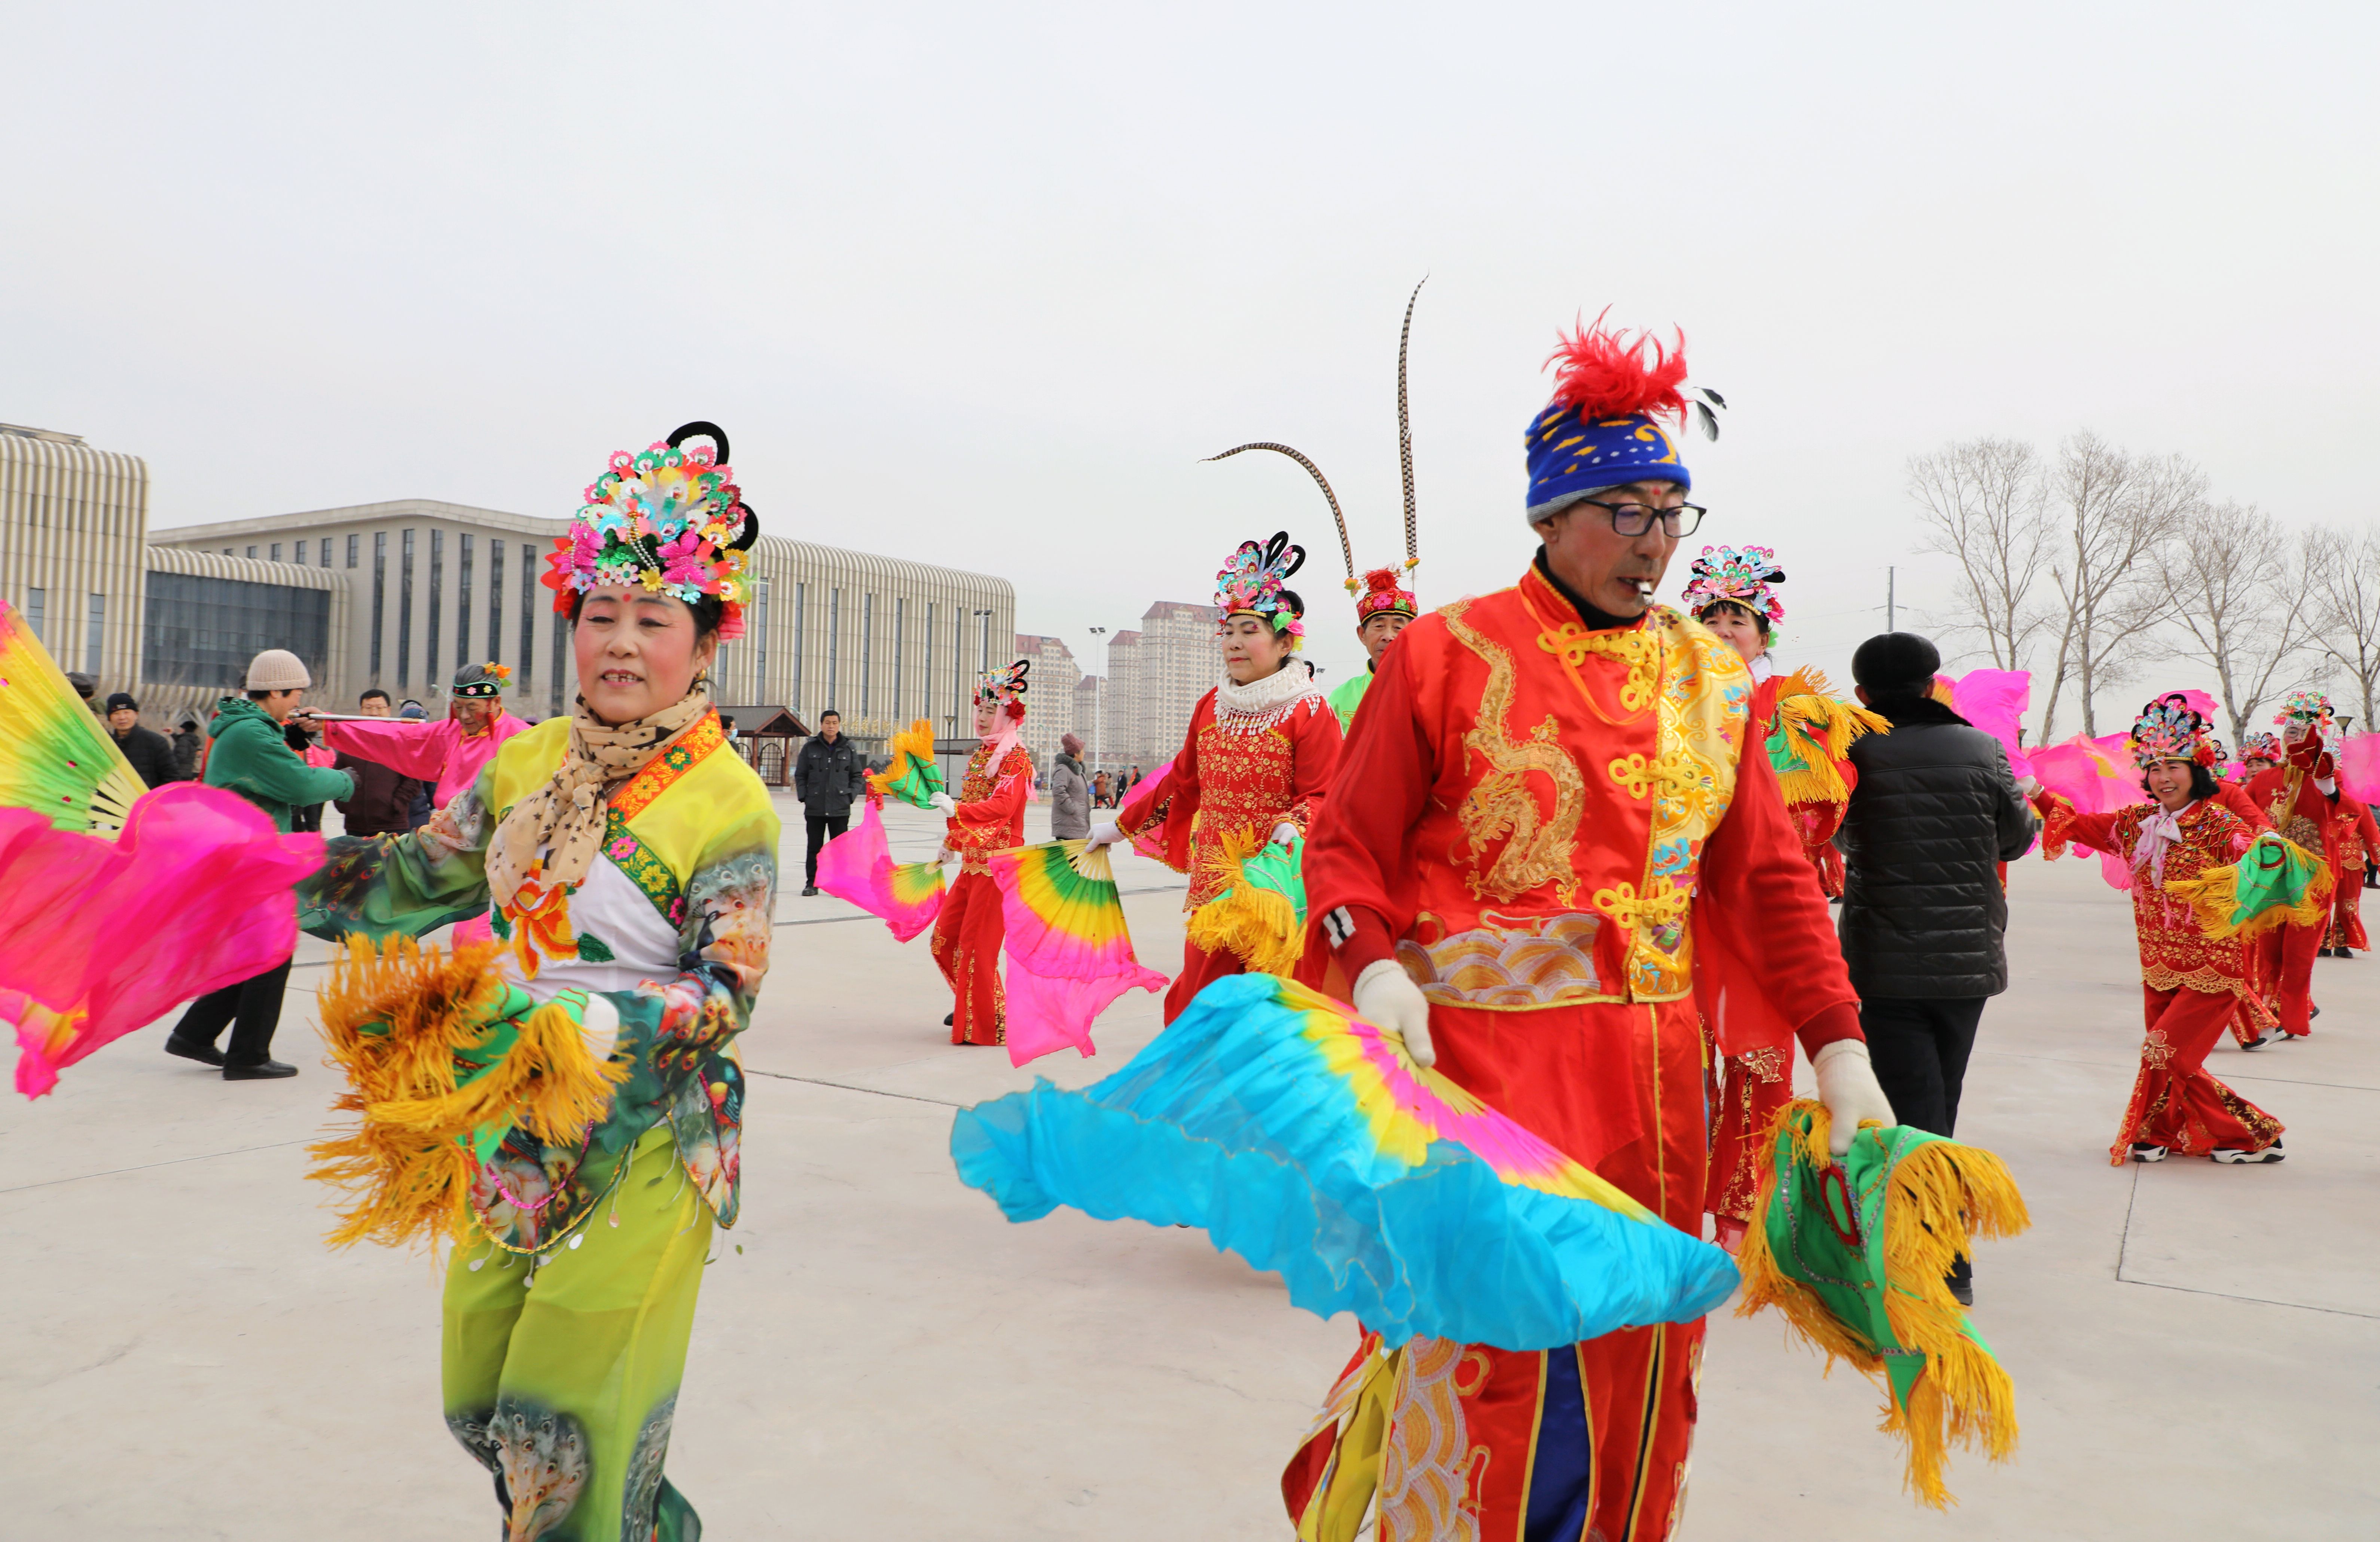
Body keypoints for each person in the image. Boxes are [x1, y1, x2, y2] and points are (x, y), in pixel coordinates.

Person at [1282, 314, 1893, 1539]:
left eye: (1675, 514)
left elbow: (1768, 879)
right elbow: (1351, 839)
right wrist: (1374, 963)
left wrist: (1840, 1045)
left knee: (1642, 1362)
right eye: (1628, 512)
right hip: (1480, 1076)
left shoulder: (1715, 686)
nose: (1657, 545)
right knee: (1498, 1359)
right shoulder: (1448, 656)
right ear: (1550, 516)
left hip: (1656, 1093)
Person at [295, 420, 777, 1541]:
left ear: (704, 644)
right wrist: (256, 866)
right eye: (599, 614)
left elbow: (723, 996)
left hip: (649, 1132)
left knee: (564, 1423)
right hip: (510, 1120)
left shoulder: (730, 802)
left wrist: (570, 1015)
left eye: (652, 619)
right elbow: (420, 877)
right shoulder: (525, 760)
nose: (620, 641)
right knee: (480, 1402)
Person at [1836, 632, 2038, 1300]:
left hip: (1884, 962)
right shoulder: (1982, 749)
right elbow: (2015, 838)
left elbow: (1830, 832)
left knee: (1913, 1110)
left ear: (1863, 694)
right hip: (1966, 963)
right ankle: (1923, 1246)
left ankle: (1939, 1259)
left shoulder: (1850, 754)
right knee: (1934, 1102)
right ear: (1932, 684)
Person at [1089, 531, 1343, 1021]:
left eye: (1250, 630)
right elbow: (1182, 784)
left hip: (1276, 887)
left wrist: (1298, 821)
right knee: (1199, 1002)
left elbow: (1326, 792)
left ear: (1285, 640)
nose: (1235, 643)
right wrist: (1122, 827)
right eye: (1228, 631)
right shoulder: (1212, 705)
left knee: (1268, 1010)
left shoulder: (1309, 710)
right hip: (1214, 886)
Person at [2031, 697, 2287, 1164]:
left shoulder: (2219, 826)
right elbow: (2078, 825)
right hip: (2159, 966)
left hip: (2212, 968)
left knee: (2162, 1051)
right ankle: (2172, 1130)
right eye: (2153, 767)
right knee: (2174, 1063)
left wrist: (2268, 849)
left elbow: (2266, 866)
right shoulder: (2136, 824)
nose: (2162, 777)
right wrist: (2033, 790)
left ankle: (2237, 1131)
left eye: (2173, 766)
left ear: (2198, 769)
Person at [162, 648, 357, 1081]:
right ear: (274, 690)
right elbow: (299, 784)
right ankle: (248, 1055)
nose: (298, 702)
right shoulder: (251, 733)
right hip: (248, 858)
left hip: (243, 855)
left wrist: (294, 741)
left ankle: (195, 1033)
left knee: (257, 949)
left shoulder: (248, 727)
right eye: (295, 694)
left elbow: (273, 766)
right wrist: (346, 780)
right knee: (273, 949)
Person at [928, 663, 1035, 1045]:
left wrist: (956, 810)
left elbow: (1002, 808)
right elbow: (975, 804)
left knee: (977, 949)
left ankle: (987, 1023)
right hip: (973, 865)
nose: (982, 717)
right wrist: (951, 844)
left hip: (999, 868)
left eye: (992, 711)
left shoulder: (1016, 758)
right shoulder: (981, 756)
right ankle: (974, 1002)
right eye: (980, 709)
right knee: (946, 938)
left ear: (1008, 714)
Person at [305, 661, 530, 815]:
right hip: (449, 833)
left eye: (472, 707)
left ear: (496, 703)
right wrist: (329, 724)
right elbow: (394, 737)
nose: (464, 716)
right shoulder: (448, 732)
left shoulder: (522, 739)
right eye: (458, 707)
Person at [2243, 691, 2338, 1038]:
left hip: (2313, 879)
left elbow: (2342, 803)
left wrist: (2321, 773)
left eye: (2303, 731)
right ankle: (2270, 1011)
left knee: (2298, 954)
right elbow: (2238, 817)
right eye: (2289, 730)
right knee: (2269, 951)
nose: (2294, 736)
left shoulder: (2328, 777)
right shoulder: (2263, 781)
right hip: (2269, 878)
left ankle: (2291, 1016)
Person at [331, 687, 428, 837]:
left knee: (390, 861)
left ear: (389, 710)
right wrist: (344, 805)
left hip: (392, 825)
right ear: (361, 711)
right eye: (368, 708)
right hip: (355, 826)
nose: (374, 713)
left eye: (379, 708)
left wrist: (397, 803)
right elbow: (337, 775)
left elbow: (414, 777)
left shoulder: (399, 740)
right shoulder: (350, 741)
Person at [793, 708, 863, 895]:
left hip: (840, 807)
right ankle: (812, 884)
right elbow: (801, 774)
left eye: (834, 723)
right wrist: (805, 796)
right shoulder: (810, 747)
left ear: (839, 725)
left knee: (840, 850)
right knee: (814, 848)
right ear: (821, 725)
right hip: (815, 806)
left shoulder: (849, 748)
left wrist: (850, 796)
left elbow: (857, 776)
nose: (831, 726)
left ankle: (838, 885)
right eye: (827, 723)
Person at [2324, 778, 2380, 957]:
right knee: (2321, 903)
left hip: (2351, 860)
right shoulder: (2318, 799)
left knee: (2348, 904)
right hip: (2323, 858)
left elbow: (2371, 831)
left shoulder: (2357, 801)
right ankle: (2322, 943)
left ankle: (2342, 942)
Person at [102, 691, 179, 788]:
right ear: (109, 718)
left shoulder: (155, 742)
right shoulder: (105, 745)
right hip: (112, 803)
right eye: (116, 714)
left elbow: (171, 778)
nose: (122, 718)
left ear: (136, 714)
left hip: (146, 802)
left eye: (127, 712)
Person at [1049, 731, 1092, 840]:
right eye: (1082, 751)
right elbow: (1058, 790)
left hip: (1076, 823)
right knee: (1069, 856)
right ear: (1076, 754)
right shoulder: (1064, 769)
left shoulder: (1077, 771)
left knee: (1074, 857)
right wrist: (1072, 809)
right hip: (1068, 823)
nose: (1084, 753)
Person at [171, 713, 206, 781]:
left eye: (182, 729)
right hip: (188, 773)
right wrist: (173, 734)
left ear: (185, 730)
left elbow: (181, 755)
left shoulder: (184, 741)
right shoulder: (192, 740)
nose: (181, 730)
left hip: (179, 772)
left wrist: (170, 763)